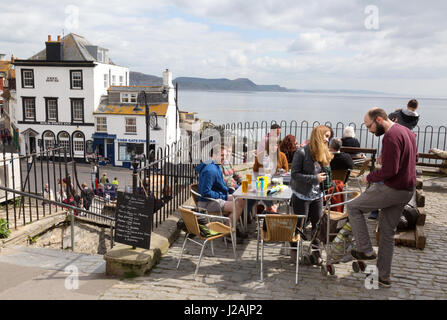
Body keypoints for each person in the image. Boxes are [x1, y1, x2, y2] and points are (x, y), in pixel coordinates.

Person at [347, 108, 417, 288]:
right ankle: (383, 277)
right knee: (387, 233)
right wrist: (386, 157)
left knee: (353, 207)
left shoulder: (390, 136)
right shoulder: (407, 132)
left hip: (392, 188)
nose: (369, 130)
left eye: (369, 126)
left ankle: (365, 250)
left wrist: (368, 177)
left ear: (379, 119)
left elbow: (390, 171)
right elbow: (412, 157)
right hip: (407, 190)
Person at [290, 125, 333, 264]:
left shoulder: (323, 152)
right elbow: (294, 175)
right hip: (302, 196)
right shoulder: (301, 152)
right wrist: (314, 179)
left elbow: (325, 175)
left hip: (317, 196)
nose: (328, 139)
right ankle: (294, 251)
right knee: (300, 226)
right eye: (326, 136)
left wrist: (324, 190)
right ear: (318, 136)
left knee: (318, 226)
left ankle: (316, 253)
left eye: (329, 136)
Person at [196, 147, 246, 242]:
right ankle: (227, 234)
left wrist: (227, 195)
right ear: (213, 155)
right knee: (237, 206)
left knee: (241, 200)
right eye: (221, 155)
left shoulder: (215, 166)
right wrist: (225, 196)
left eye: (224, 155)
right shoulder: (211, 170)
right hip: (207, 203)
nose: (224, 157)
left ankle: (233, 228)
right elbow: (205, 192)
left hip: (215, 199)